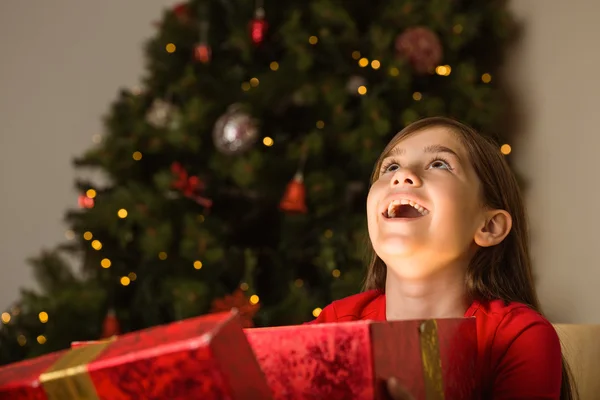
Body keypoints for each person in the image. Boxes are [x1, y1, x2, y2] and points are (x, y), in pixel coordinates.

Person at [308, 117, 577, 399]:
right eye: (391, 167)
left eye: (439, 164)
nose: (402, 176)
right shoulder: (335, 324)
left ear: (489, 226)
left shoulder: (519, 337)